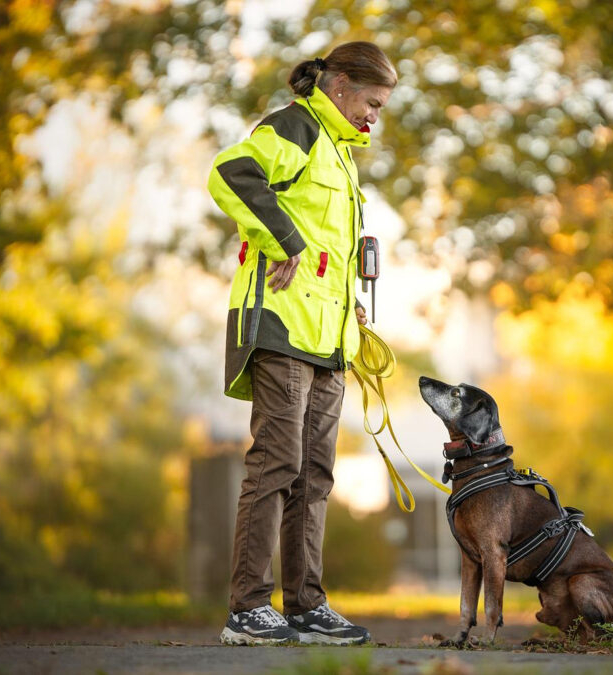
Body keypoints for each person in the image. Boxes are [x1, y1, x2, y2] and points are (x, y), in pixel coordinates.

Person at [207, 42, 397, 646]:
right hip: (283, 328)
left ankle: (306, 606)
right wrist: (285, 240)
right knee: (277, 464)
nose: (374, 117)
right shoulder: (295, 126)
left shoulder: (342, 154)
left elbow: (328, 252)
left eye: (382, 107)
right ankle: (247, 607)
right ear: (339, 85)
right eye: (371, 102)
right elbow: (230, 174)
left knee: (314, 474)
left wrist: (351, 298)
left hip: (329, 338)